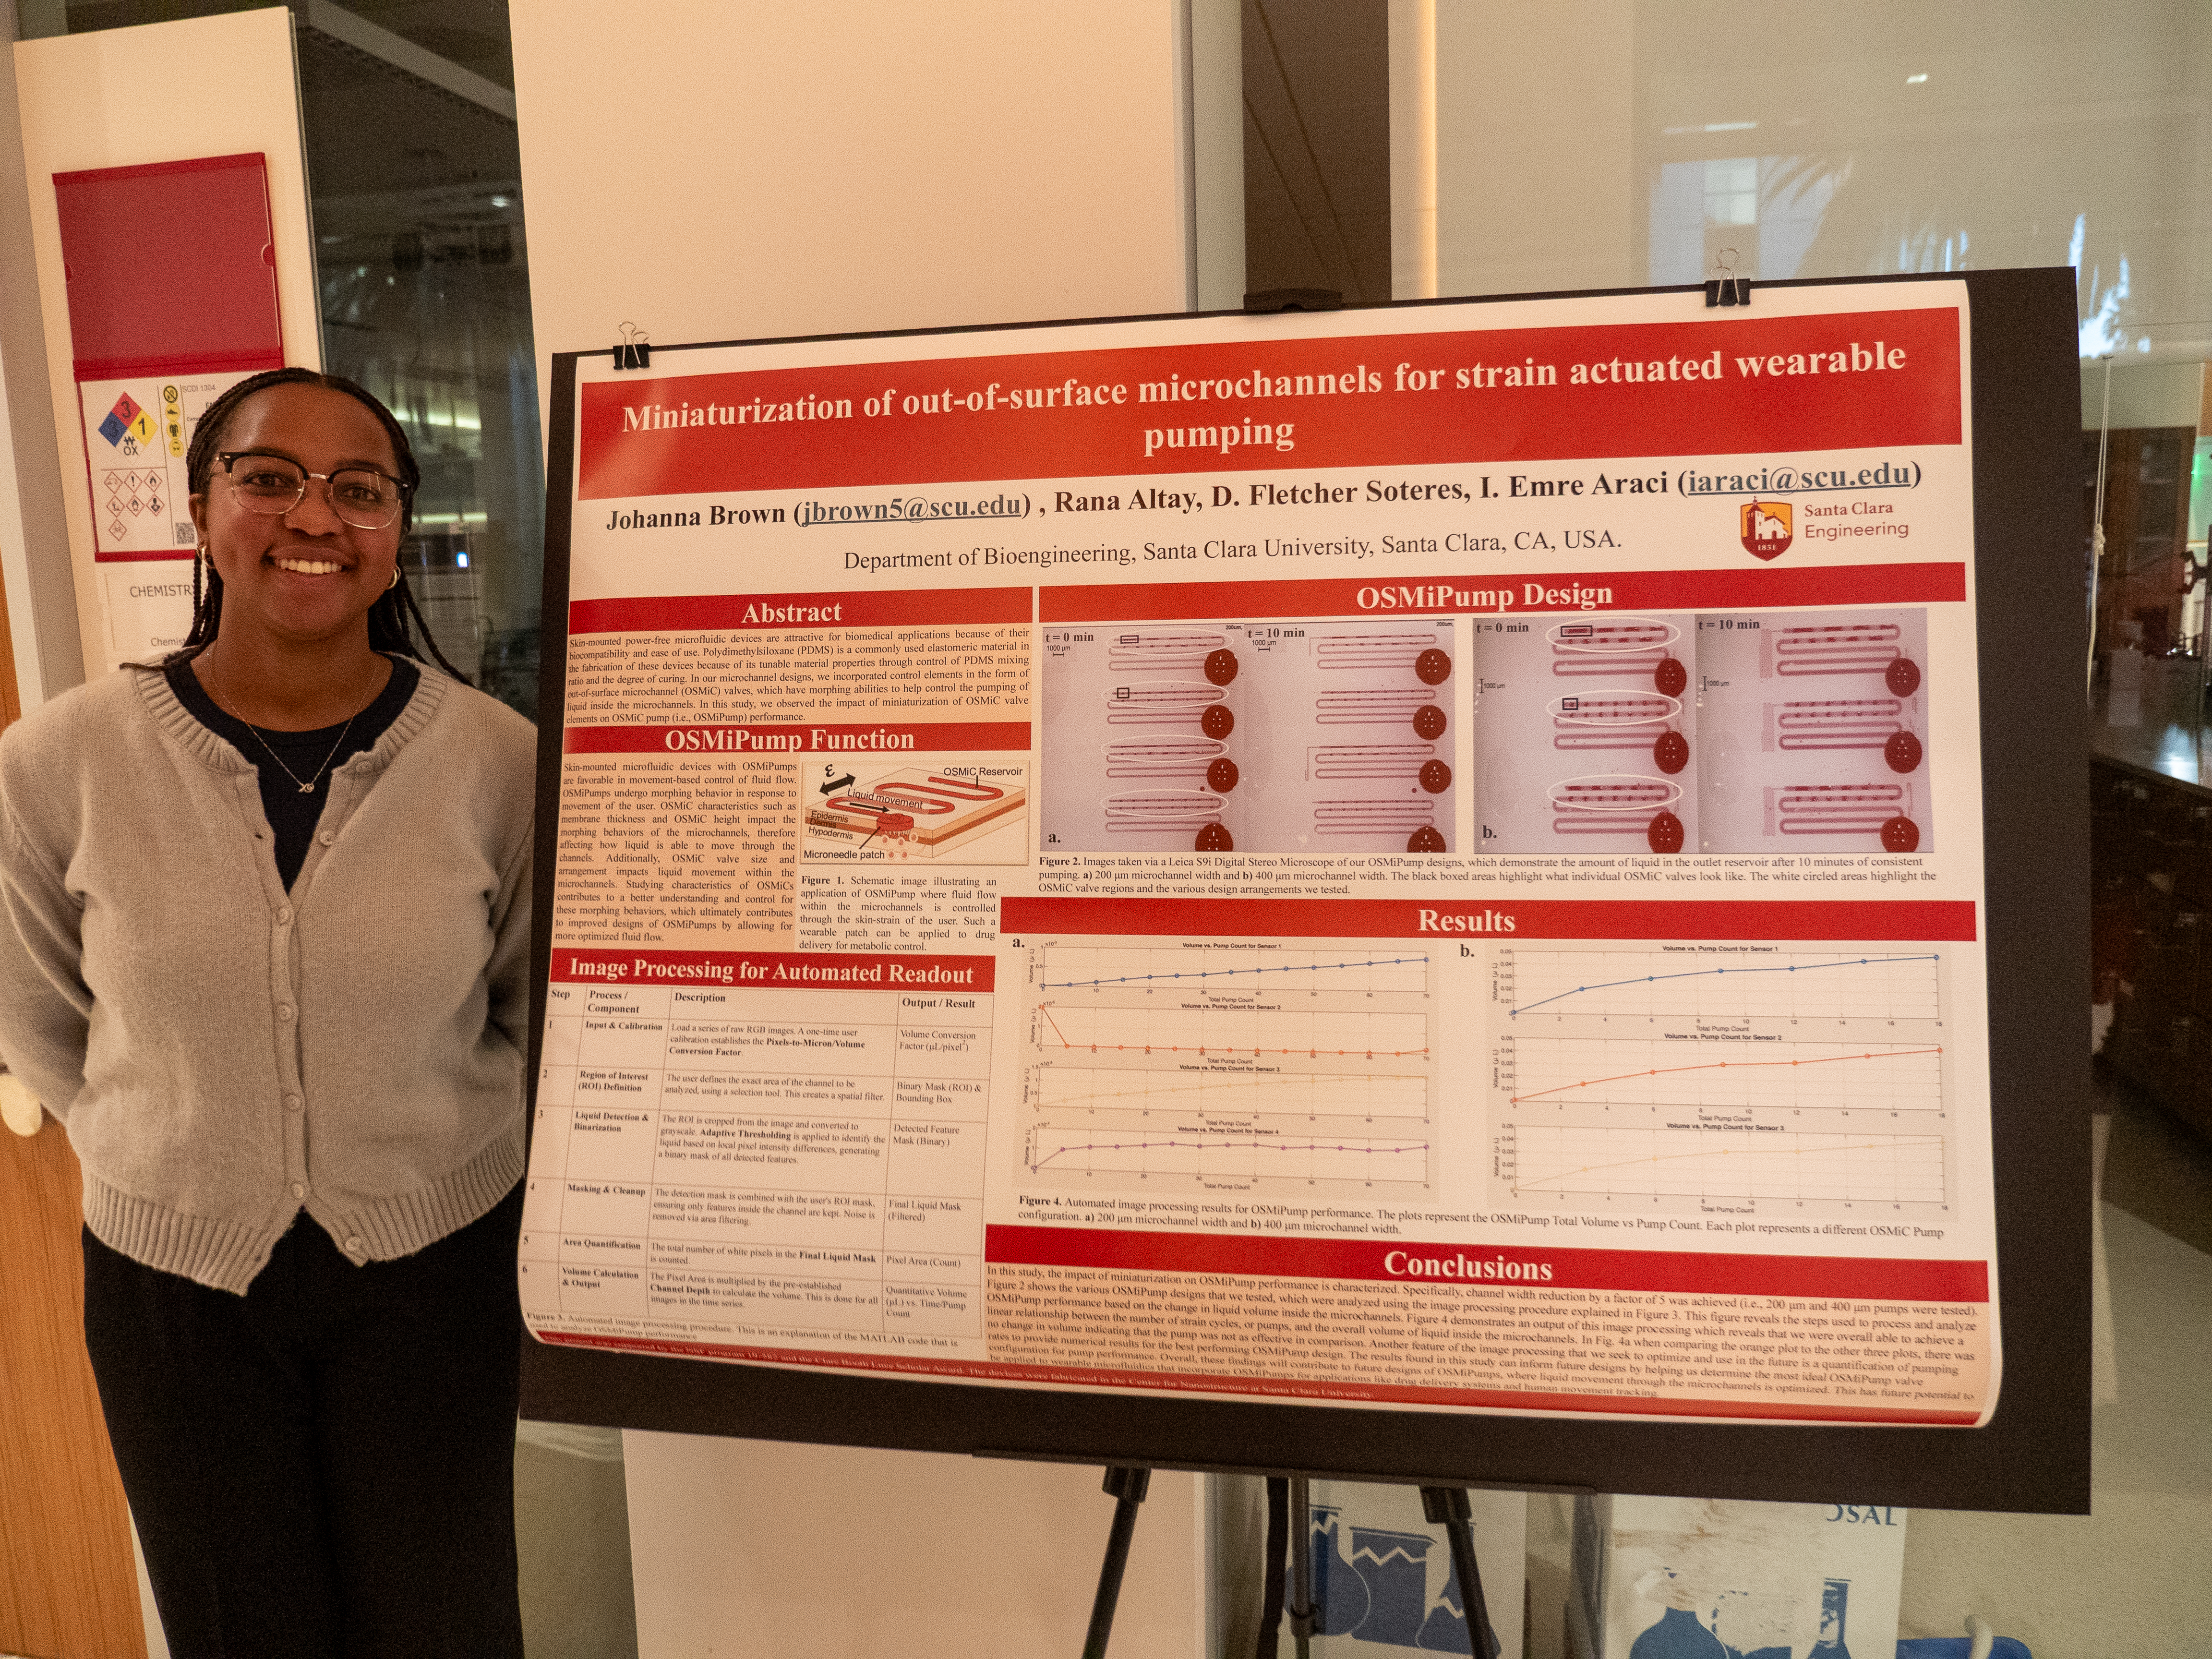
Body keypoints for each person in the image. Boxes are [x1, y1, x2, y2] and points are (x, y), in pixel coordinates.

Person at [0, 367, 537, 1657]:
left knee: (445, 1626)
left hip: (435, 1267)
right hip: (175, 1282)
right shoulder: (60, 763)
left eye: (360, 491)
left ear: (396, 531)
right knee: (241, 1629)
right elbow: (37, 1015)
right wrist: (175, 1140)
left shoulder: (492, 761)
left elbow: (526, 1009)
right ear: (201, 510)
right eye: (270, 478)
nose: (316, 517)